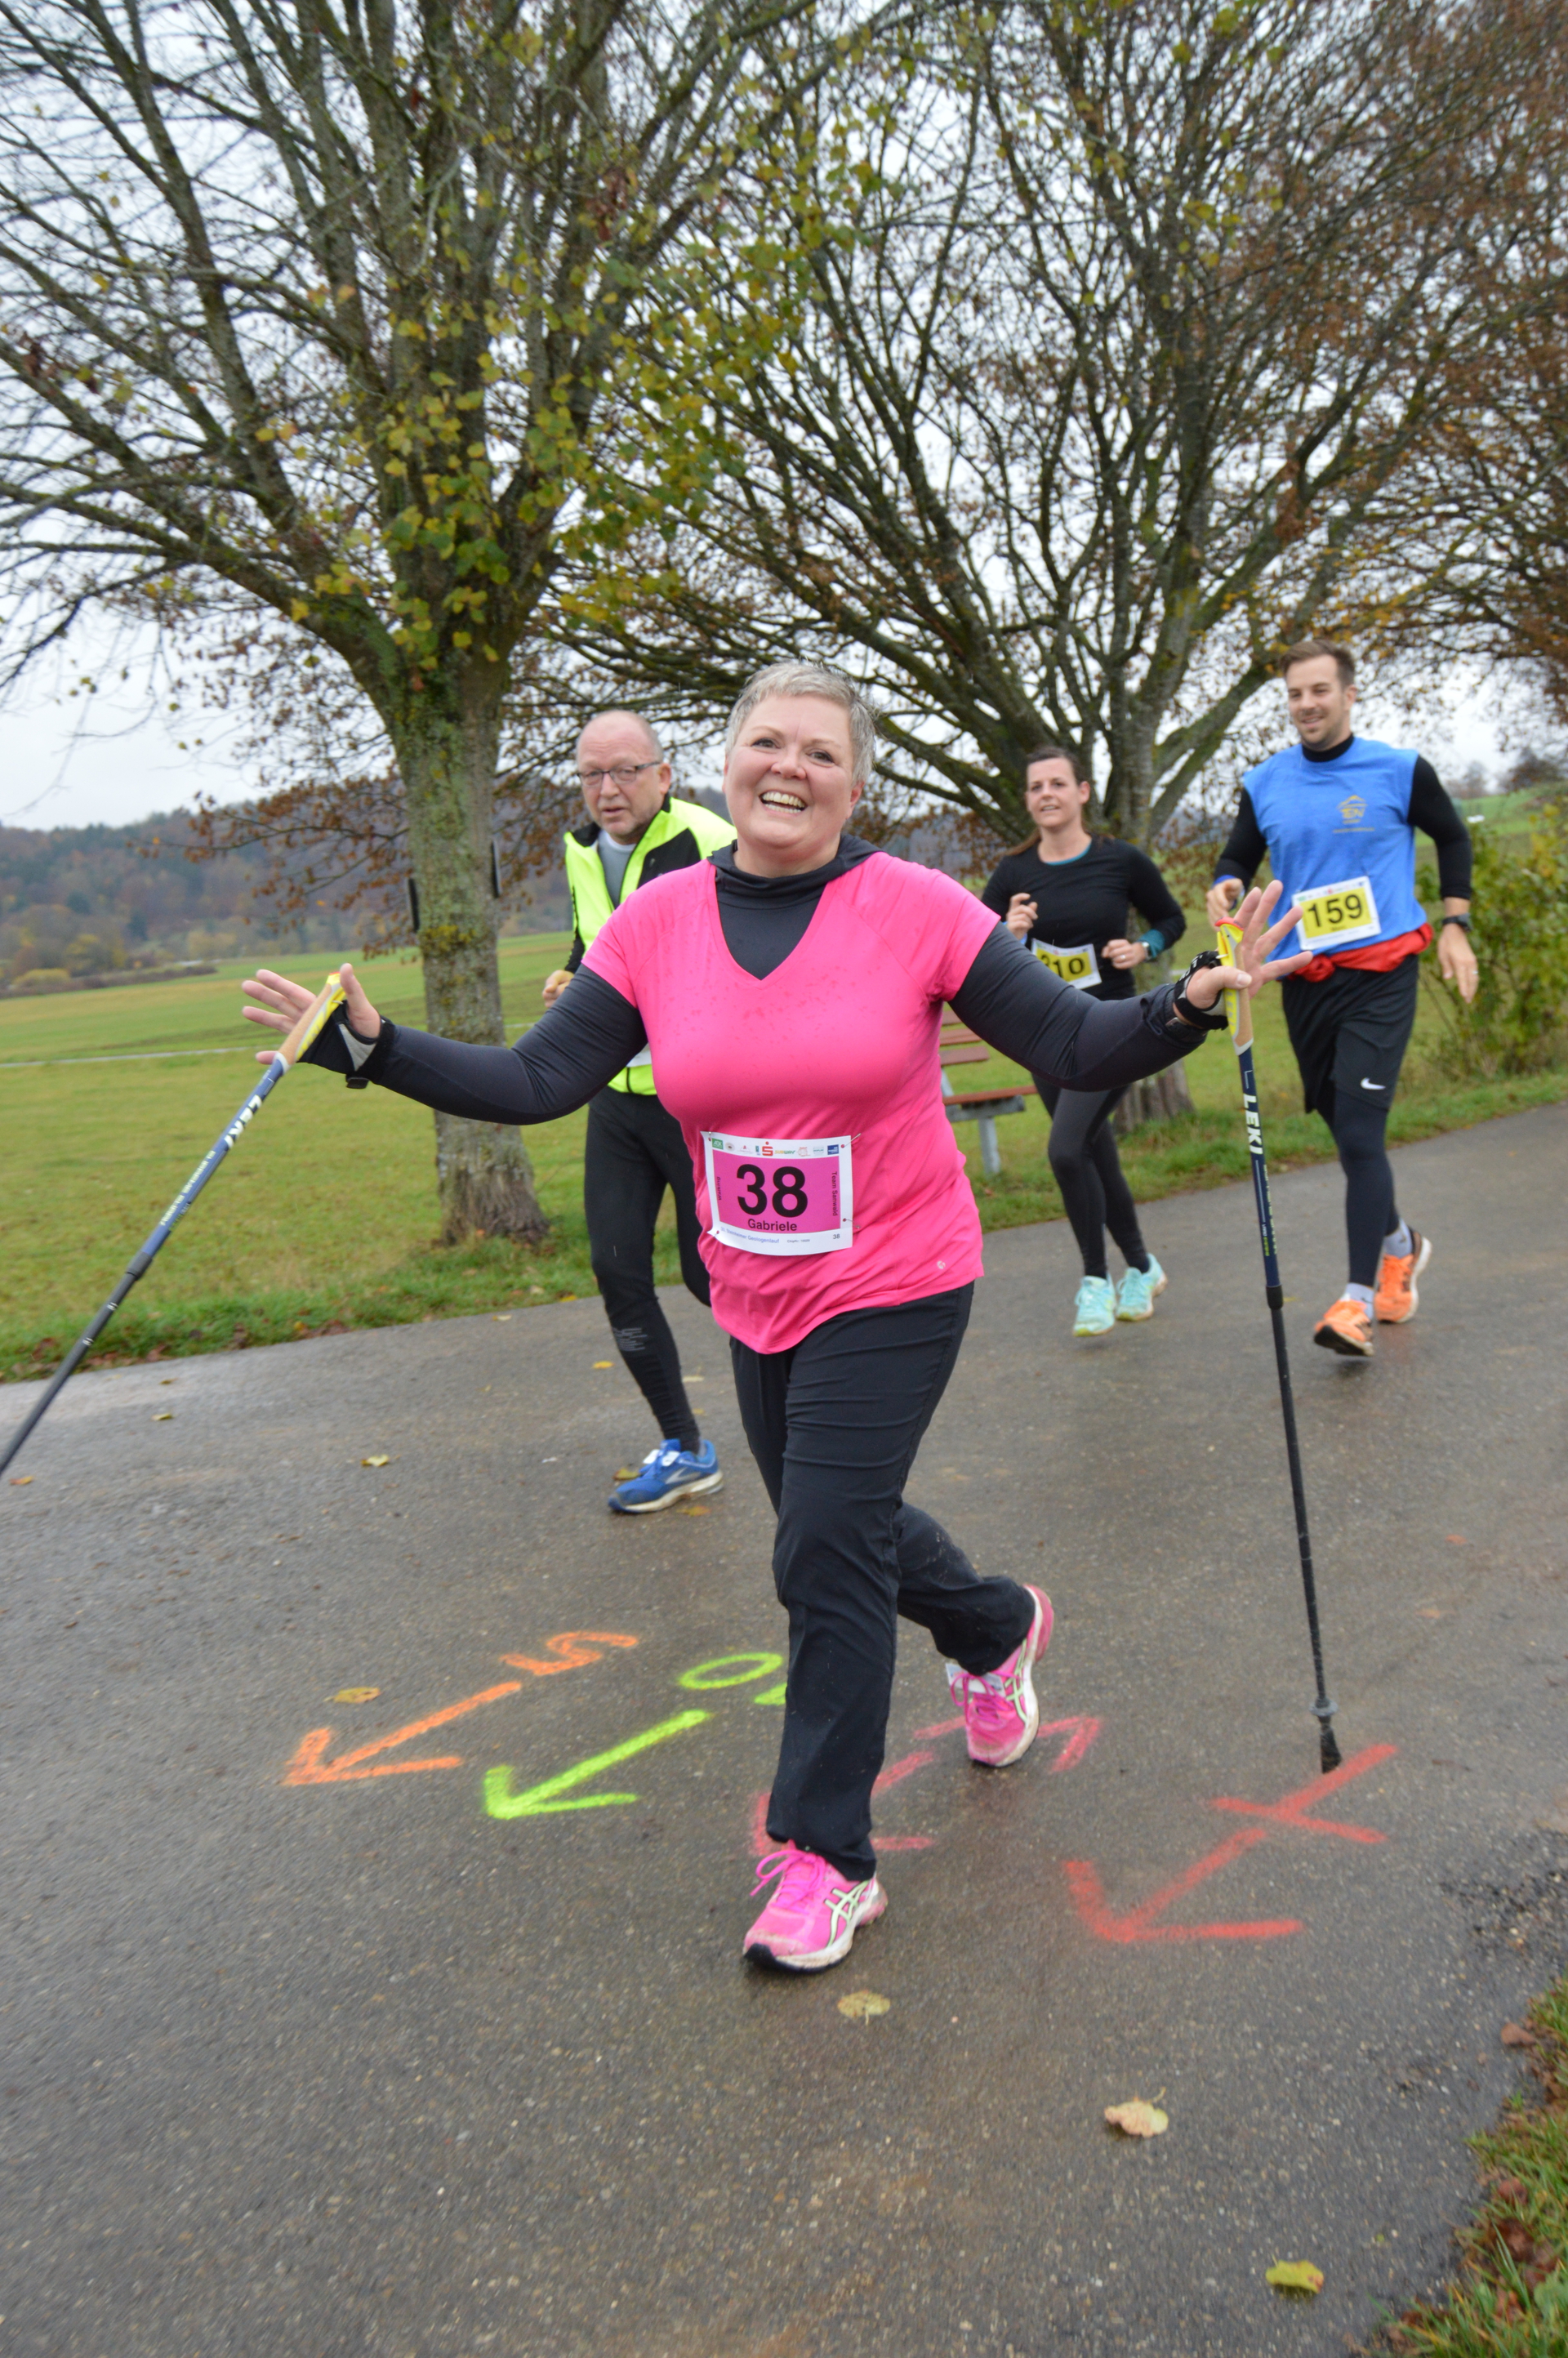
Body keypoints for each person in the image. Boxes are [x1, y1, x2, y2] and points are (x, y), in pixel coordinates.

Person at [243, 661, 1303, 1975]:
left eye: (820, 751)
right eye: (766, 741)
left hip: (900, 1277)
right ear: (727, 758)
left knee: (819, 1551)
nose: (788, 766)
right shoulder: (658, 920)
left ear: (856, 786)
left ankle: (824, 1854)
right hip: (754, 1287)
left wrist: (1188, 998)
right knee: (839, 1518)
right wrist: (371, 1046)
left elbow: (1074, 1045)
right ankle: (992, 1625)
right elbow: (537, 1077)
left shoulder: (913, 905)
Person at [1206, 639, 1477, 1359]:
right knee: (1342, 1124)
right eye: (1296, 693)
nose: (1307, 704)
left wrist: (1456, 923)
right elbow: (1238, 855)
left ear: (1349, 694)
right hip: (1306, 977)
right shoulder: (1265, 780)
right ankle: (1401, 1243)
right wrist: (1227, 885)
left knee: (1359, 1133)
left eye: (1320, 690)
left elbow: (1453, 837)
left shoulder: (1399, 769)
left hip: (1382, 972)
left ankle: (1355, 1301)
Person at [543, 711, 736, 1510]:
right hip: (615, 1099)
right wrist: (572, 977)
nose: (608, 789)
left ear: (663, 774)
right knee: (618, 1271)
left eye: (625, 770)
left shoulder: (711, 841)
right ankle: (685, 1446)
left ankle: (814, 1407)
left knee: (711, 1274)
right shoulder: (583, 849)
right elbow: (597, 943)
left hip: (695, 1101)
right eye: (592, 774)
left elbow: (748, 961)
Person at [981, 747, 1187, 1336]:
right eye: (1035, 786)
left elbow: (1169, 919)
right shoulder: (1014, 872)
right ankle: (1142, 1267)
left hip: (1111, 1026)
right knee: (1095, 1149)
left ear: (1082, 792)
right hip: (1043, 1028)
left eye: (1057, 783)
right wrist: (1007, 931)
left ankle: (1095, 1280)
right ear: (1028, 800)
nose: (1046, 794)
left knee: (1067, 1150)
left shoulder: (1119, 859)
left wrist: (1142, 947)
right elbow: (974, 941)